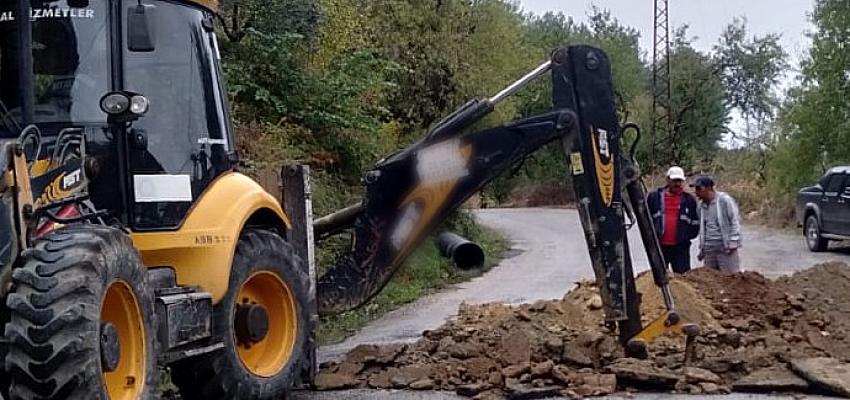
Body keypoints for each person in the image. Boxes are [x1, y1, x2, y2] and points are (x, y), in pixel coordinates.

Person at [647, 166, 700, 273]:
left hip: (680, 248)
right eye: (675, 180)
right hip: (660, 246)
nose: (677, 184)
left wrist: (685, 237)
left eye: (679, 181)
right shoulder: (654, 197)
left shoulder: (689, 200)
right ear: (668, 180)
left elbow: (695, 223)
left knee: (683, 277)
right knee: (659, 276)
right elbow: (647, 219)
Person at [691, 176, 743, 273]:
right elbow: (702, 227)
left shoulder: (724, 200)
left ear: (709, 188)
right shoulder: (700, 206)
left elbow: (735, 220)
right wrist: (702, 248)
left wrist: (734, 240)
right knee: (711, 279)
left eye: (699, 189)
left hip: (725, 247)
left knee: (730, 277)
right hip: (709, 248)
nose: (696, 192)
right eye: (696, 189)